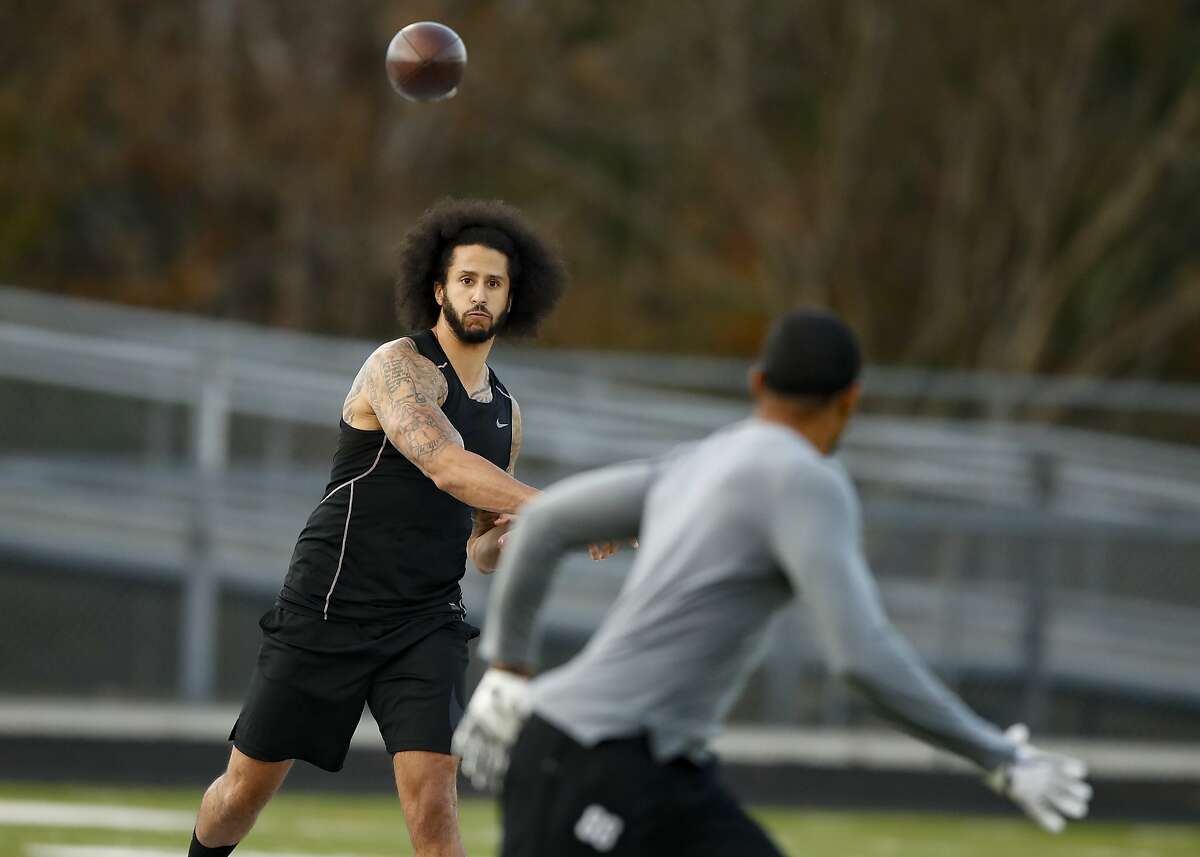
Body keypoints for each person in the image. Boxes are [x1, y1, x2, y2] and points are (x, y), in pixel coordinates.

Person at [453, 309, 1092, 857]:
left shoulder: (700, 458)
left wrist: (508, 670)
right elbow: (861, 659)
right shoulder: (810, 479)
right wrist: (999, 758)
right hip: (601, 759)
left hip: (647, 764)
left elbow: (543, 527)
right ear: (850, 400)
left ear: (758, 383)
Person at [188, 198, 595, 857]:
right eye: (466, 278)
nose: (479, 293)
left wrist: (512, 533)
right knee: (241, 792)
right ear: (438, 287)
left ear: (513, 297)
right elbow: (445, 467)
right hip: (329, 603)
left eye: (494, 282)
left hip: (424, 620)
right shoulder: (397, 366)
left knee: (434, 805)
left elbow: (481, 547)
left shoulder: (509, 412)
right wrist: (560, 512)